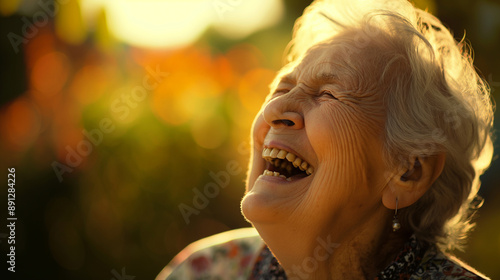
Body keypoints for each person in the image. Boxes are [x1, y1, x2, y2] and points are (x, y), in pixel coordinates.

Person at [157, 0, 494, 279]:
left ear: (409, 172)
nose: (276, 108)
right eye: (283, 88)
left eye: (329, 94)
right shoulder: (204, 271)